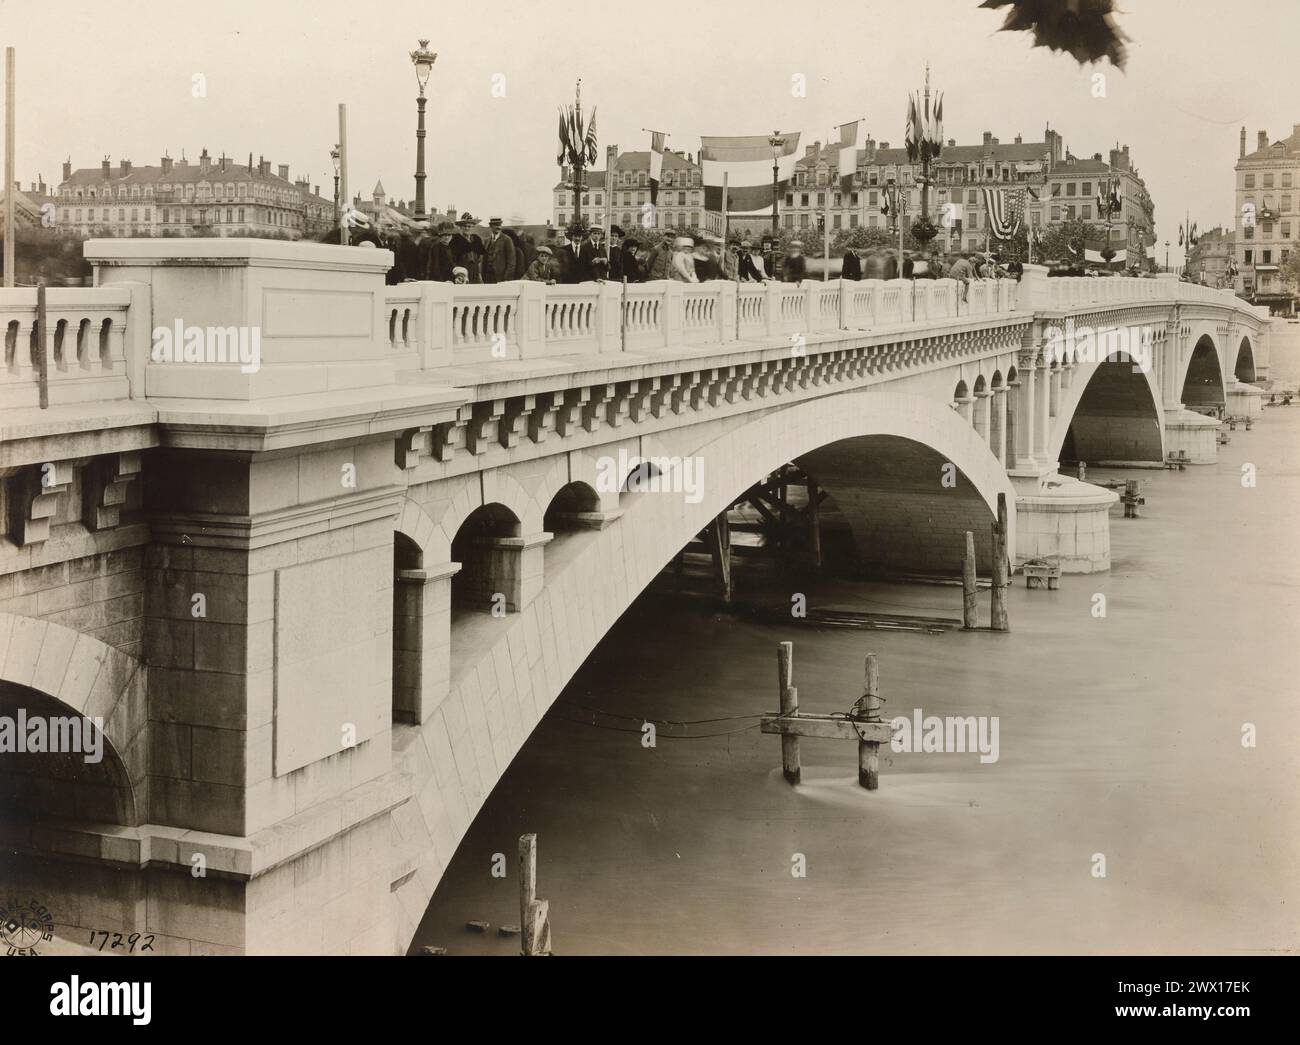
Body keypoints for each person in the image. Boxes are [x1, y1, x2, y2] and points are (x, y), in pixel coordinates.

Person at [483, 217, 517, 284]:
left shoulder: (507, 240)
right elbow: (483, 259)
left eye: (499, 225)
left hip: (501, 278)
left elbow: (512, 262)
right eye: (495, 225)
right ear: (491, 226)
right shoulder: (487, 241)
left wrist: (506, 278)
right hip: (488, 277)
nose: (498, 227)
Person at [450, 213, 483, 283]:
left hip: (475, 272)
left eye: (469, 226)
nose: (467, 228)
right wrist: (458, 275)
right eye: (464, 226)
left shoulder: (476, 239)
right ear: (460, 227)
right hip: (461, 272)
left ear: (473, 227)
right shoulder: (455, 240)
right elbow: (452, 260)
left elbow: (480, 259)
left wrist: (479, 274)